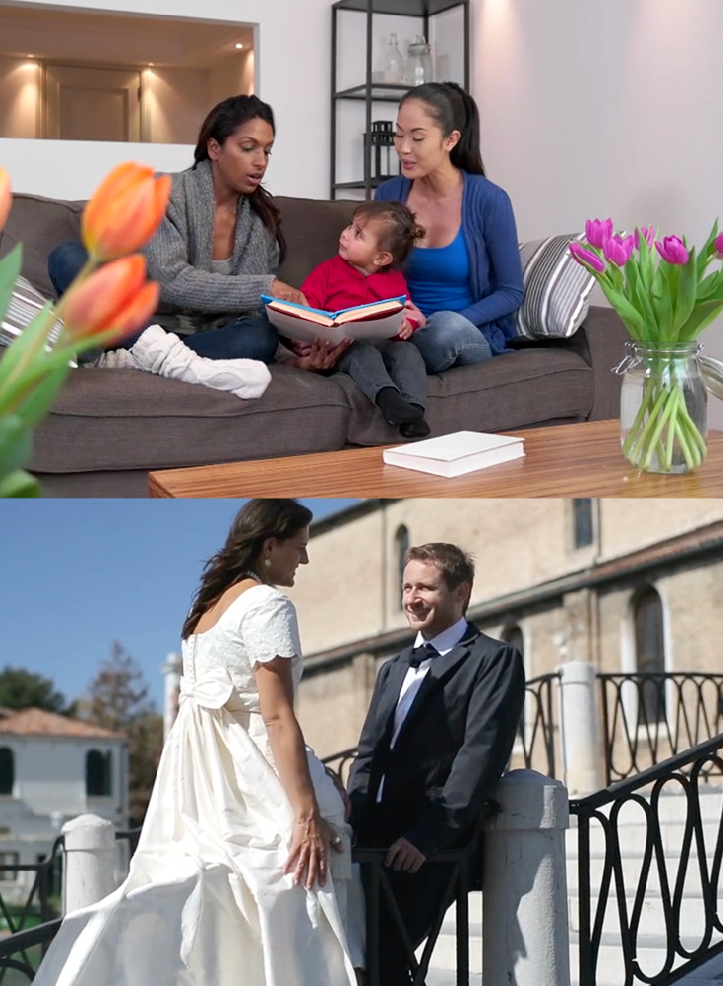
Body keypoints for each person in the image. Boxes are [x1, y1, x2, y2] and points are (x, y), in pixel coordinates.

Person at [33, 499, 363, 985]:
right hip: (253, 767)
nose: (305, 559)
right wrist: (306, 811)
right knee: (302, 867)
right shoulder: (268, 604)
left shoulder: (204, 609)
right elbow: (275, 715)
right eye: (299, 548)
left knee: (217, 885)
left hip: (205, 775)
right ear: (270, 546)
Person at [47, 95, 348, 397]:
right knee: (67, 257)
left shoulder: (261, 220)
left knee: (260, 336)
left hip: (206, 337)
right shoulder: (162, 192)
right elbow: (169, 281)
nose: (260, 162)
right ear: (214, 148)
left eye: (267, 151)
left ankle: (149, 362)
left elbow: (253, 314)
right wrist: (267, 287)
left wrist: (295, 357)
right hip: (136, 328)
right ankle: (168, 359)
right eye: (248, 148)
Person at [345, 542, 525, 986]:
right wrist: (349, 826)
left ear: (461, 592)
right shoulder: (392, 667)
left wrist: (427, 836)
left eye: (425, 587)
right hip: (369, 841)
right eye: (407, 587)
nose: (412, 598)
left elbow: (481, 757)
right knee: (352, 956)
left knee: (386, 958)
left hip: (427, 845)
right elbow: (368, 755)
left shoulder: (494, 660)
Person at [374, 82, 525, 373]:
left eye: (417, 137)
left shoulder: (488, 200)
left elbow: (510, 291)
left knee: (445, 328)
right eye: (399, 134)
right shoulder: (388, 195)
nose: (403, 148)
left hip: (463, 331)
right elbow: (369, 269)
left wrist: (436, 322)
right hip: (402, 327)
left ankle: (401, 356)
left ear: (450, 140)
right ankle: (396, 358)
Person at [298, 200, 433, 438]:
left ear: (382, 258)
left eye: (358, 234)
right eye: (350, 226)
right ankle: (387, 397)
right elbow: (306, 306)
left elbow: (406, 309)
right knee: (362, 351)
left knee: (408, 352)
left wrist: (407, 324)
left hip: (384, 342)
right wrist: (311, 329)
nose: (346, 234)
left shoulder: (394, 279)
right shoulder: (328, 271)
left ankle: (414, 411)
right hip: (342, 348)